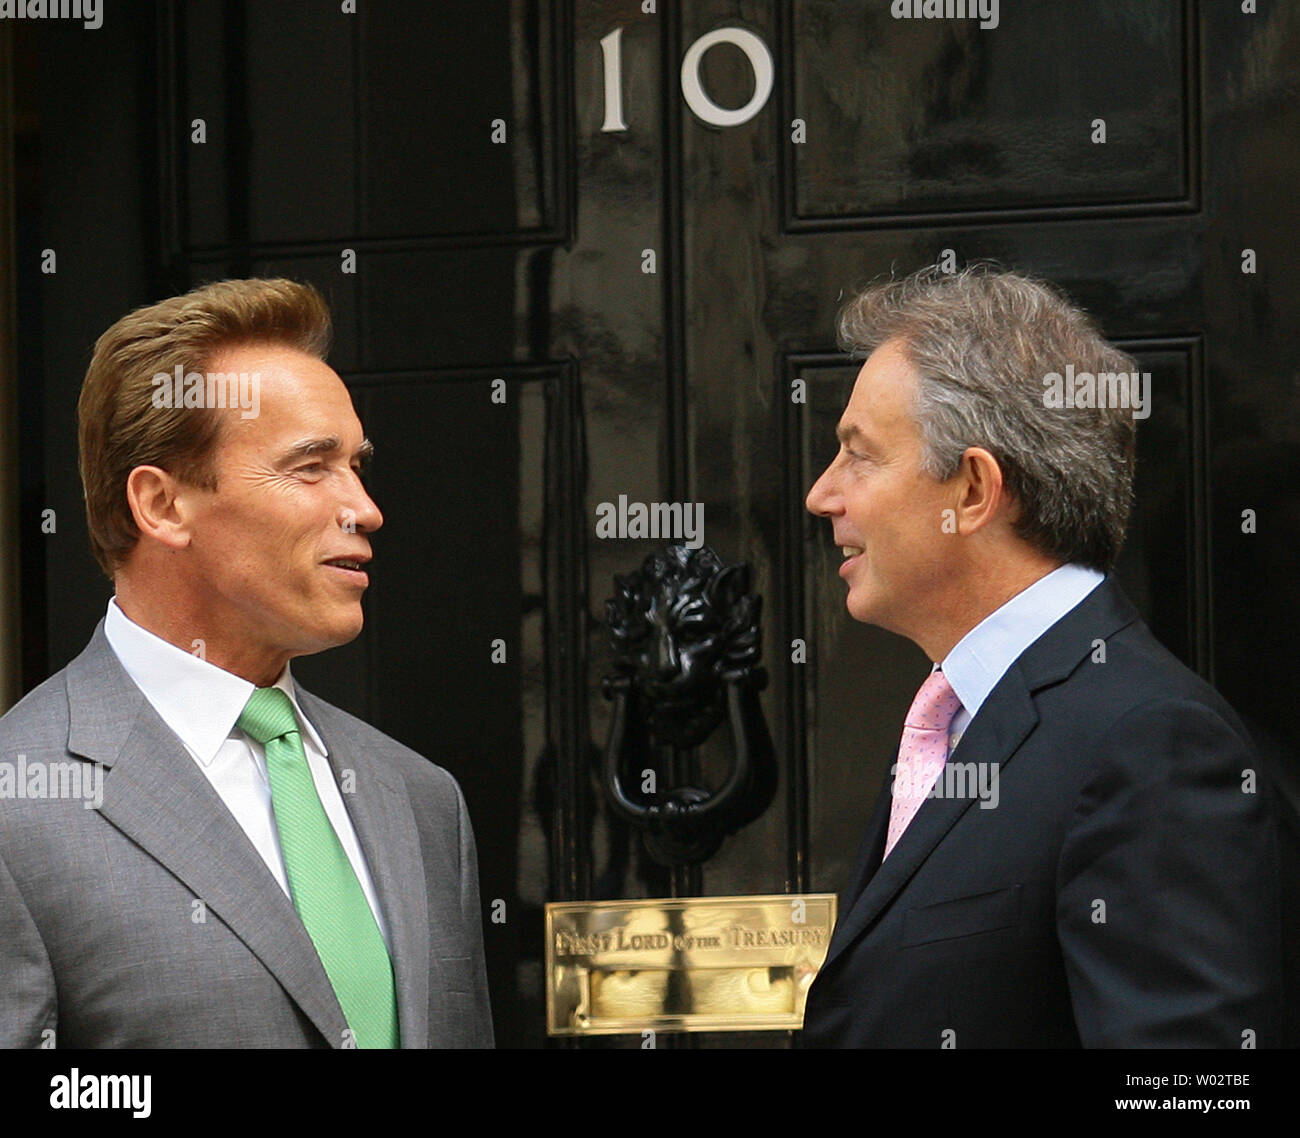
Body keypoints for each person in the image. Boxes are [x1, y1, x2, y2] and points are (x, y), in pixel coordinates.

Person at [799, 265, 1289, 1048]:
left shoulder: (1152, 745)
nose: (823, 495)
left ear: (973, 491)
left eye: (859, 455)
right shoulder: (964, 713)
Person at [0, 278, 493, 1048]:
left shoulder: (421, 798)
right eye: (310, 467)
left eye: (356, 464)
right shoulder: (17, 809)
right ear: (162, 506)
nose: (365, 508)